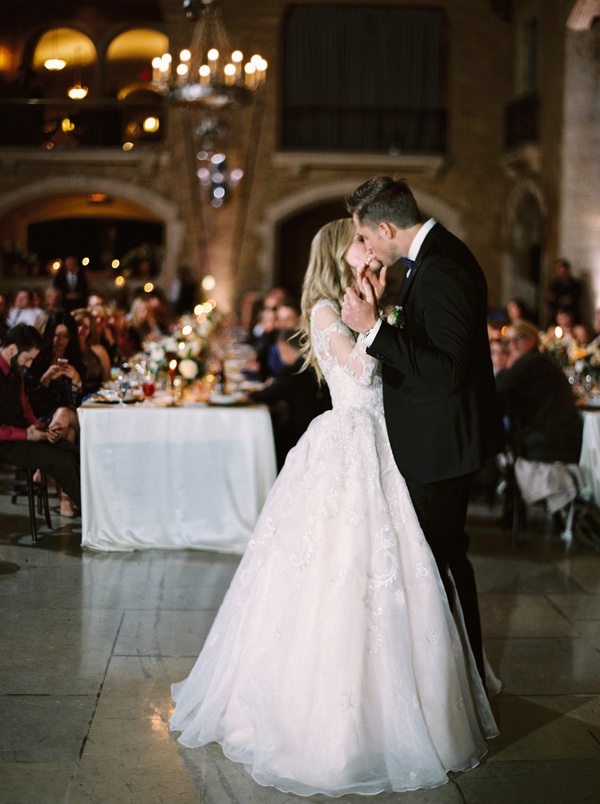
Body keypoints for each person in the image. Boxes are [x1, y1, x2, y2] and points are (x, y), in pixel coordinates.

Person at [170, 219, 498, 796]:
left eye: (368, 240)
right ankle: (336, 723)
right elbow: (363, 370)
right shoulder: (324, 310)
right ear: (335, 255)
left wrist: (380, 317)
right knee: (337, 575)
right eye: (357, 244)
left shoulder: (364, 301)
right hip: (348, 445)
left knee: (398, 574)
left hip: (386, 445)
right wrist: (372, 326)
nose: (366, 249)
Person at [341, 177, 505, 686]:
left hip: (442, 447)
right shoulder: (430, 260)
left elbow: (448, 371)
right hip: (435, 441)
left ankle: (455, 683)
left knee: (442, 567)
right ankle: (455, 681)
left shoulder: (443, 269)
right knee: (440, 562)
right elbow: (432, 340)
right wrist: (386, 308)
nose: (363, 250)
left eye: (365, 238)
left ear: (386, 228)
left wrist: (373, 329)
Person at [0, 324, 81, 512]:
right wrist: (25, 435)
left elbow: (25, 409)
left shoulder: (15, 373)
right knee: (64, 462)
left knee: (75, 453)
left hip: (22, 435)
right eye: (28, 359)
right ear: (12, 349)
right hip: (6, 441)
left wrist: (43, 428)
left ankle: (102, 511)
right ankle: (93, 516)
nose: (28, 365)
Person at [248, 328, 331, 469]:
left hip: (299, 431)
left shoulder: (294, 370)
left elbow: (266, 396)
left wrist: (246, 394)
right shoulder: (311, 364)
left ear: (285, 348)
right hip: (317, 423)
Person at [546, 258, 582, 325]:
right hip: (556, 315)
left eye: (561, 268)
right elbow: (550, 299)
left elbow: (573, 299)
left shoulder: (575, 284)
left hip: (572, 317)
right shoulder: (554, 284)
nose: (560, 271)